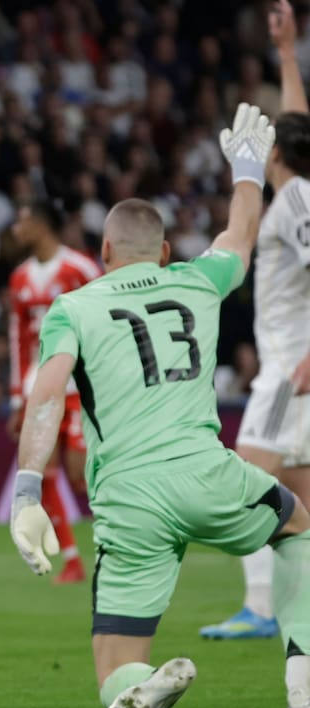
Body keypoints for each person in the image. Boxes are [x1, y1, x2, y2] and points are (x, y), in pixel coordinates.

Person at [10, 103, 310, 708]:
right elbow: (241, 234)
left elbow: (47, 394)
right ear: (166, 250)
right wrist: (247, 171)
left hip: (129, 498)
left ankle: (139, 682)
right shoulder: (197, 281)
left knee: (112, 670)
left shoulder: (73, 307)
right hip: (210, 472)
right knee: (297, 524)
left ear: (104, 249)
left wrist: (28, 489)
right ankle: (303, 664)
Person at [200, 0, 310, 641]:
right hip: (288, 369)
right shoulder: (299, 191)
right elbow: (299, 126)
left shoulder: (294, 200)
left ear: (276, 154)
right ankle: (276, 609)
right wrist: (288, 53)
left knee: (247, 478)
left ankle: (263, 609)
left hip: (289, 372)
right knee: (294, 494)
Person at [6, 200, 101, 583]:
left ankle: (126, 540)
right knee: (42, 473)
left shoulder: (81, 268)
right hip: (39, 388)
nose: (16, 229)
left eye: (22, 221)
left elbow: (104, 321)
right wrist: (18, 397)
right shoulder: (20, 278)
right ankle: (73, 561)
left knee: (81, 475)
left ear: (41, 225)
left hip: (79, 386)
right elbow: (18, 338)